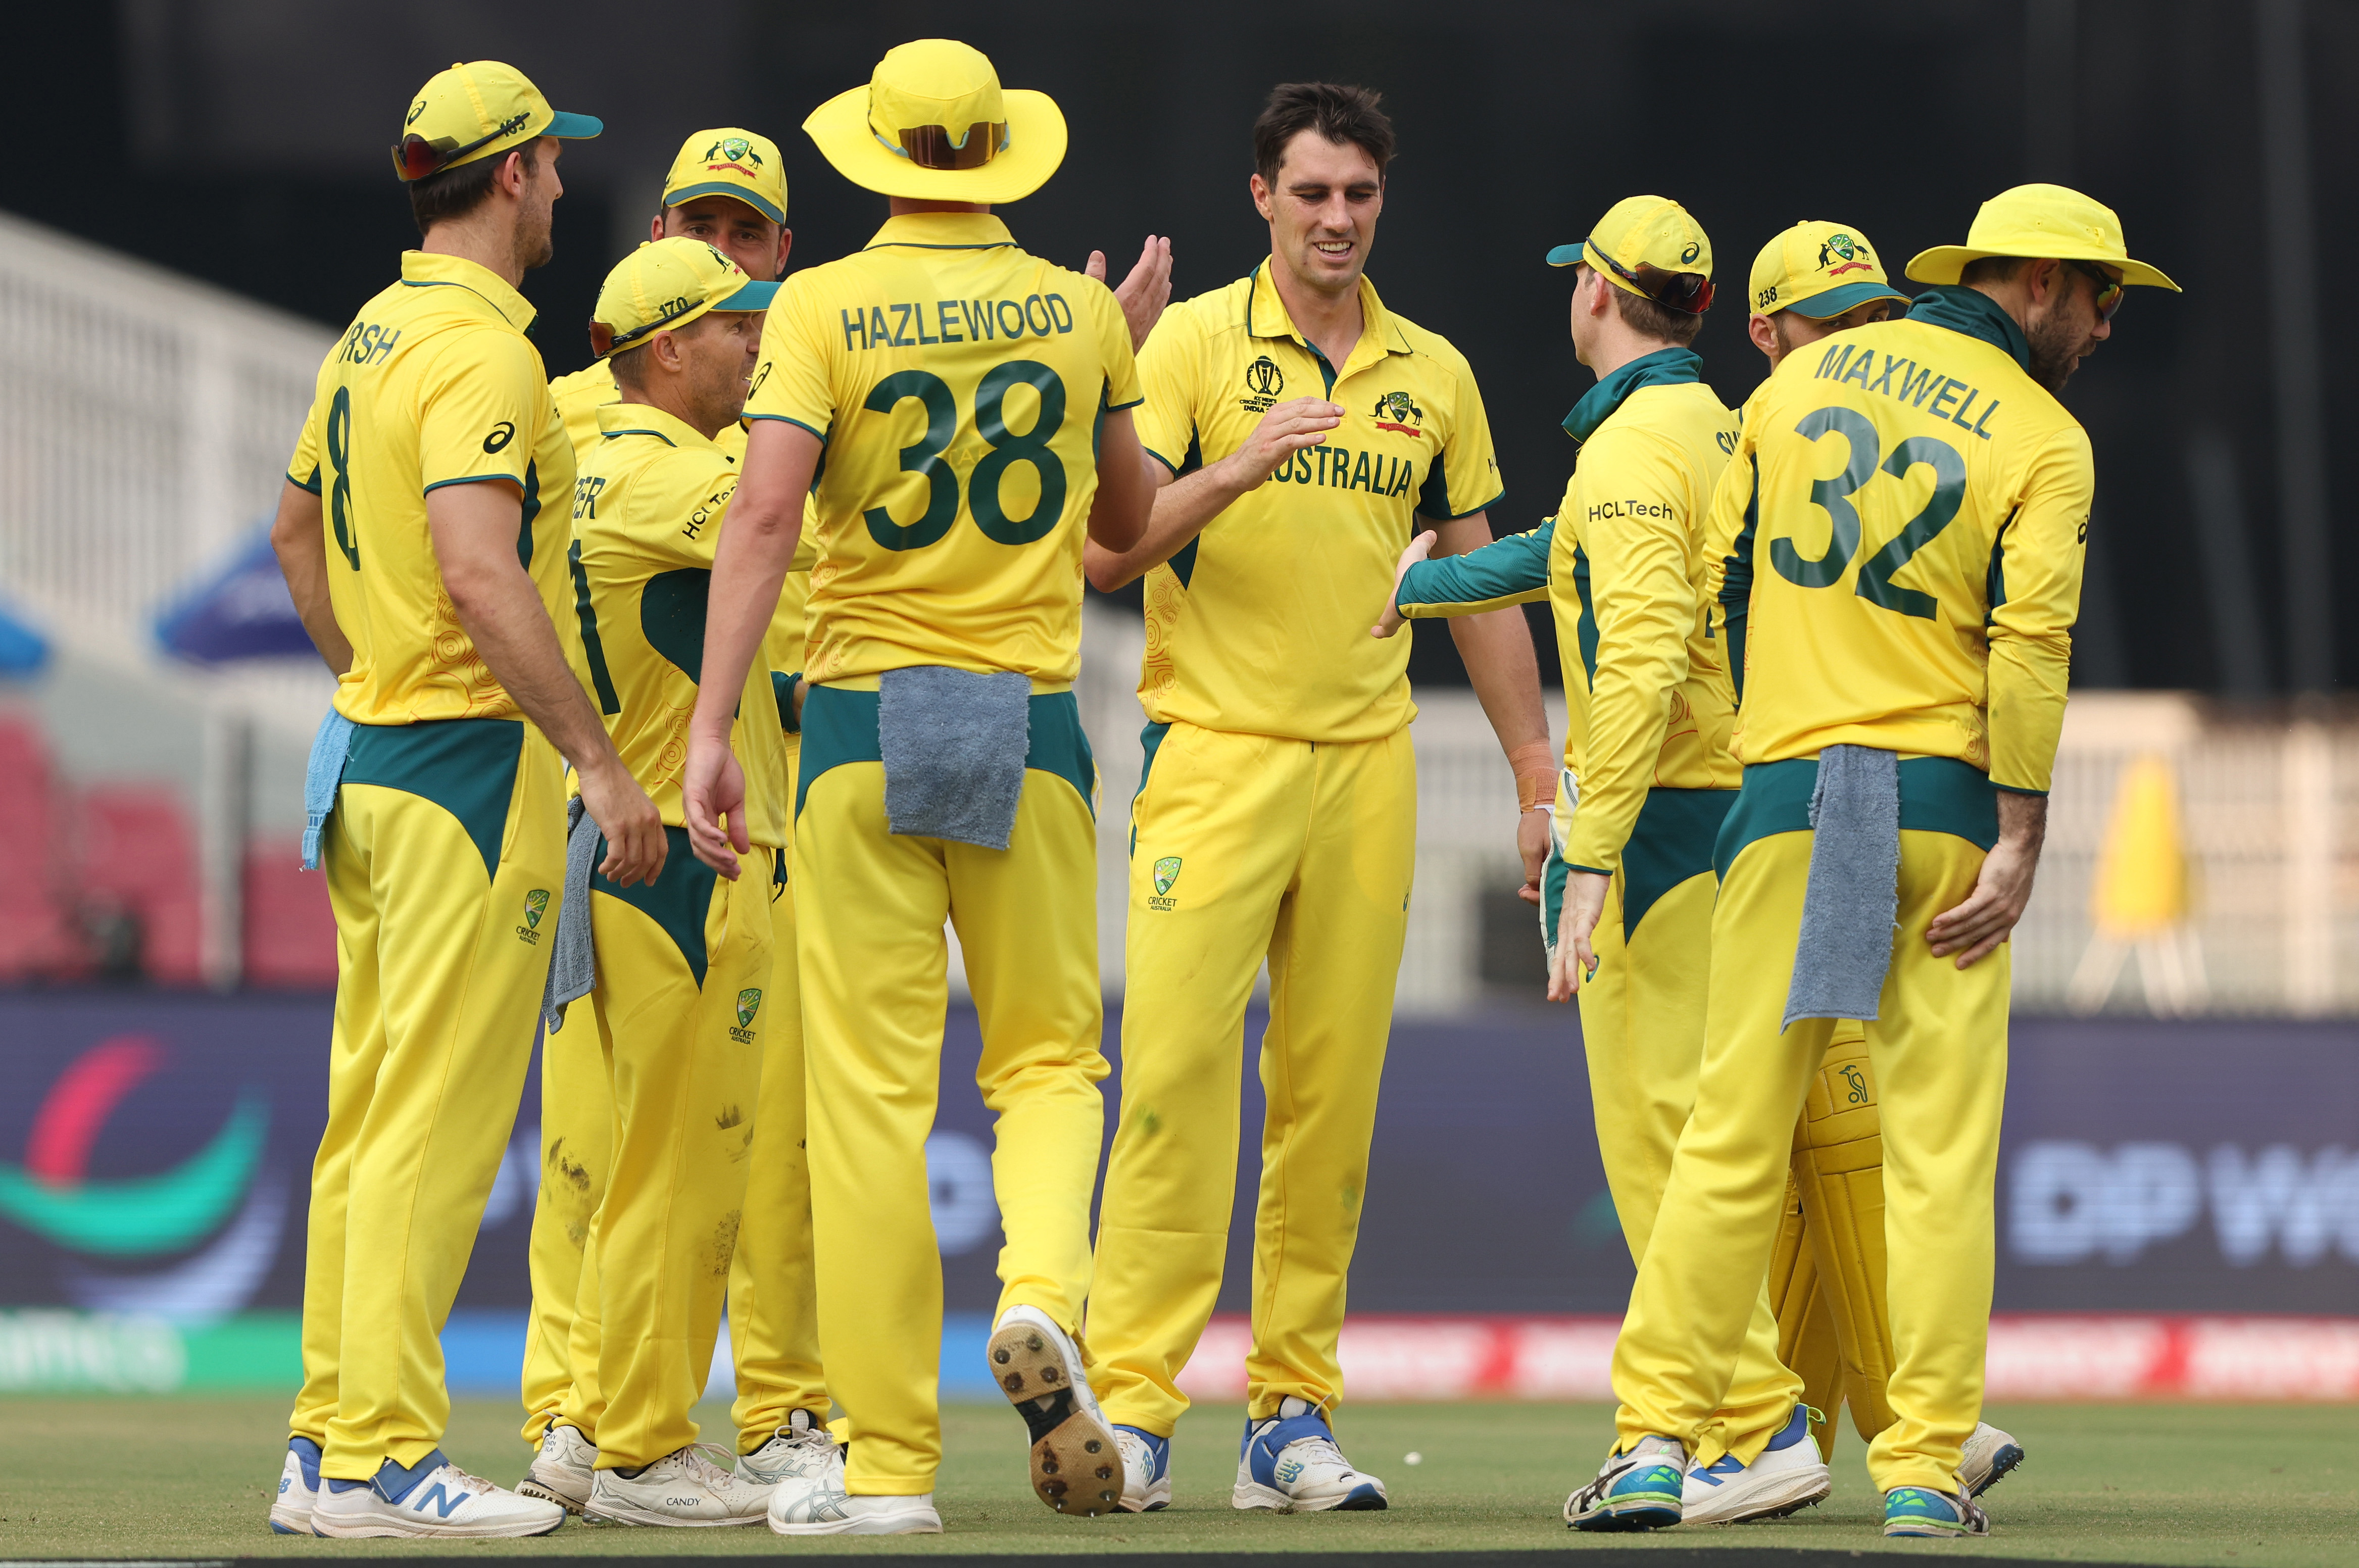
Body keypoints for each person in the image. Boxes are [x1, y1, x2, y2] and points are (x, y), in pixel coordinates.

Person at [1572, 183, 2176, 1540]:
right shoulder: (2046, 435)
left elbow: (1718, 582)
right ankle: (1917, 1471)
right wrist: (2023, 835)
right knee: (1941, 1156)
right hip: (1948, 813)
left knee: (1729, 1130)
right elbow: (2029, 651)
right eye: (2099, 294)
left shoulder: (1789, 390)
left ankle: (1661, 1444)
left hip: (1787, 801)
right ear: (2030, 285)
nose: (2107, 320)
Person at [678, 38, 1168, 1536]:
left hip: (856, 726)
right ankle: (1042, 1296)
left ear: (879, 152)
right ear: (998, 151)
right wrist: (1114, 350)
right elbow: (1130, 526)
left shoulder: (816, 305)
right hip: (1026, 719)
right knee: (1045, 1066)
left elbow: (764, 518)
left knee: (871, 1105)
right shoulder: (1082, 311)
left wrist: (710, 726)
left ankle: (888, 1470)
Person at [1080, 82, 1551, 1516]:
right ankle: (1137, 1414)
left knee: (1329, 1102)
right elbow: (1111, 556)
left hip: (1368, 765)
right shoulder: (1196, 346)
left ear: (1380, 202)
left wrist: (1540, 773)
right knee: (1168, 1084)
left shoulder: (1434, 372)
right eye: (1311, 193)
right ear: (1261, 197)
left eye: (1358, 195)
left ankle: (1290, 1416)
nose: (1336, 219)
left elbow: (1472, 587)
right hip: (1214, 752)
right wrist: (1236, 465)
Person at [1383, 196, 1834, 1525]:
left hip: (1668, 820)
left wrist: (1591, 852)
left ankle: (1750, 1424)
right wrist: (1426, 585)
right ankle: (1805, 1421)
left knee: (1665, 1143)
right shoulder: (1702, 425)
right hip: (1737, 802)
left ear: (1594, 293)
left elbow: (1632, 662)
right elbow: (1575, 562)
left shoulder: (1633, 452)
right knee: (1709, 1129)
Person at [264, 60, 662, 1541]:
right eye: (550, 166)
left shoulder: (373, 334)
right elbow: (482, 570)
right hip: (463, 771)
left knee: (368, 1125)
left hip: (370, 761)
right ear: (509, 179)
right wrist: (602, 764)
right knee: (430, 1128)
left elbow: (298, 529)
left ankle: (327, 1449)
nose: (560, 186)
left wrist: (366, 670)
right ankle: (381, 1462)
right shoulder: (486, 354)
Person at [517, 126, 841, 1514]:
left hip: (656, 814)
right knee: (659, 1158)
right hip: (665, 834)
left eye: (749, 241)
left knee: (680, 1156)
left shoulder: (627, 437)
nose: (730, 273)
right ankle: (624, 1429)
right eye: (703, 242)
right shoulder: (660, 461)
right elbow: (798, 530)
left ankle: (614, 1422)